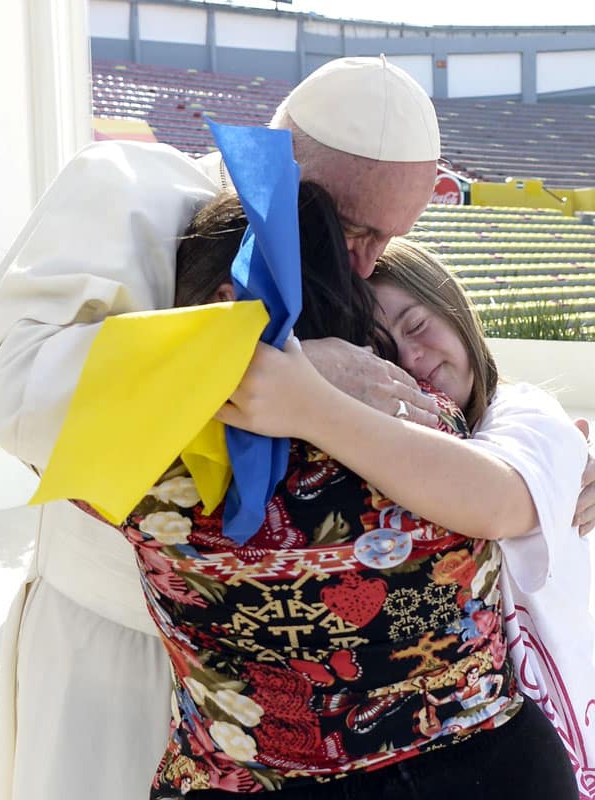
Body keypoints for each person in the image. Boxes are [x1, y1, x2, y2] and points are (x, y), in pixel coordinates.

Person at [0, 55, 593, 799]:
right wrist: (274, 364)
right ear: (290, 158)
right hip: (121, 649)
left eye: (395, 236)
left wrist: (559, 446)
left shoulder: (346, 271)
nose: (370, 261)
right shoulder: (129, 187)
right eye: (354, 230)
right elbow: (14, 381)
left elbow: (441, 398)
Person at [85, 193, 584, 799]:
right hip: (484, 768)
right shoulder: (435, 427)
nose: (411, 357)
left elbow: (33, 407)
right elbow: (501, 487)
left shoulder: (140, 472)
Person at [217, 238, 594, 797]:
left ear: (456, 310)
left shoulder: (524, 412)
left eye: (419, 325)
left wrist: (306, 402)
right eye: (378, 349)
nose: (412, 359)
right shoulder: (371, 457)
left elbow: (496, 501)